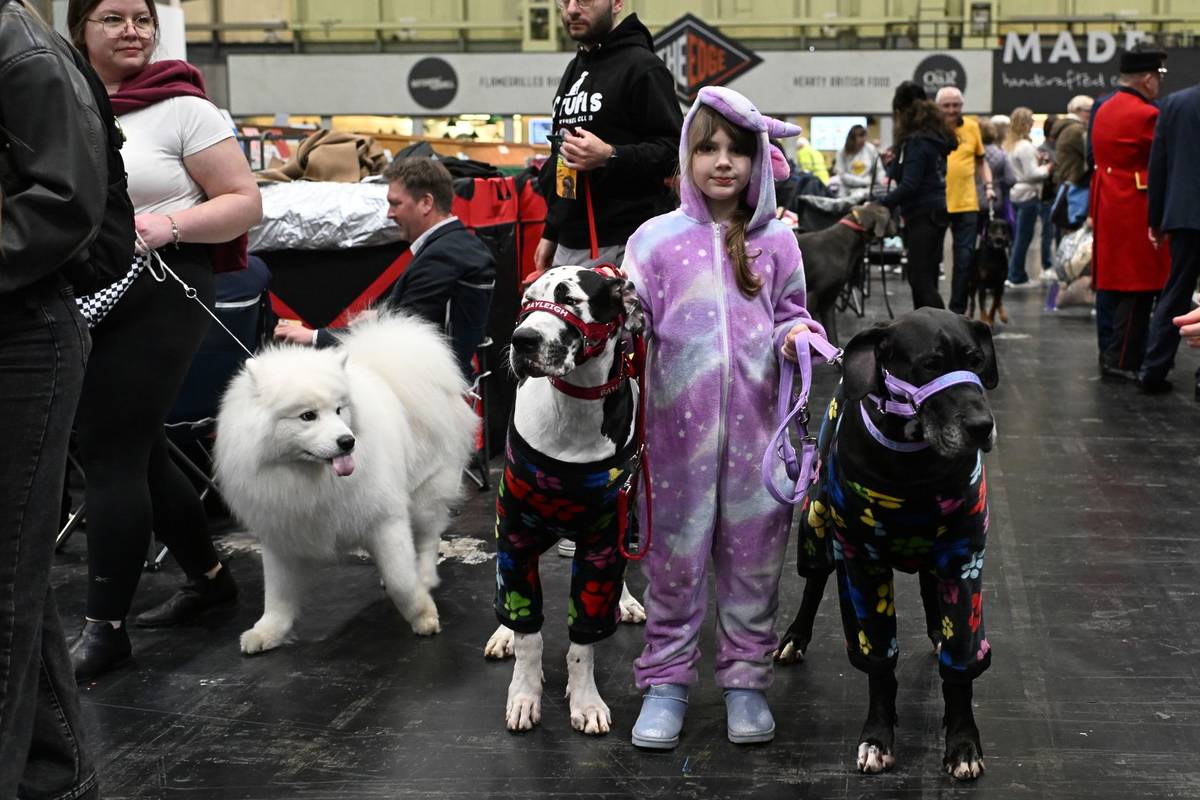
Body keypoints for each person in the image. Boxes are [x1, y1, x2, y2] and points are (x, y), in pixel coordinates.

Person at [66, 0, 262, 681]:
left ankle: (105, 629)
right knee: (140, 448)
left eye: (142, 19)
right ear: (79, 29)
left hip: (161, 285)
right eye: (112, 18)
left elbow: (244, 200)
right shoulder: (61, 100)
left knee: (110, 450)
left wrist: (168, 225)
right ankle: (210, 579)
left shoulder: (183, 107)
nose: (132, 30)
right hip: (80, 288)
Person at [622, 86, 821, 750]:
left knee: (755, 568)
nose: (724, 162)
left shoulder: (778, 242)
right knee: (671, 565)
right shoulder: (653, 241)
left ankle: (746, 683)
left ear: (759, 160)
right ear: (686, 155)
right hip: (671, 444)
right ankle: (665, 683)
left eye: (738, 149)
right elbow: (631, 322)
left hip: (758, 442)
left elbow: (791, 312)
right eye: (707, 148)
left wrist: (797, 337)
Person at [0, 0, 105, 794]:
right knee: (15, 581)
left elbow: (67, 200)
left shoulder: (19, 46)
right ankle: (54, 779)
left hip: (21, 331)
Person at [274, 158, 496, 378]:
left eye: (395, 203)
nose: (389, 214)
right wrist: (380, 315)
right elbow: (424, 314)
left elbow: (402, 333)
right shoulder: (457, 245)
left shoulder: (442, 256)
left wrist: (313, 337)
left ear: (426, 203)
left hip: (428, 383)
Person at [533, 0, 682, 274]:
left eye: (585, 0)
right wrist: (552, 230)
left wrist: (610, 155)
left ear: (617, 3)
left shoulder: (643, 67)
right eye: (564, 1)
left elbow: (674, 151)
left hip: (627, 242)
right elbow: (563, 155)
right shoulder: (575, 68)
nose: (572, 9)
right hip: (570, 242)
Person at [1089, 48, 1172, 382]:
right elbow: (1165, 157)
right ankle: (1124, 360)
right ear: (1148, 79)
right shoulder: (1147, 114)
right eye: (1159, 76)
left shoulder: (1103, 108)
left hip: (1108, 201)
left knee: (1112, 284)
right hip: (1135, 206)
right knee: (1140, 286)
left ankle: (1110, 354)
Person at [1138, 77, 1200, 394]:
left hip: (1184, 214)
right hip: (1184, 213)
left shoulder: (1175, 104)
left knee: (1175, 292)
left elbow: (1158, 165)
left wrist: (1156, 221)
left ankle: (1153, 369)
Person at [879, 92, 955, 310]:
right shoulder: (933, 141)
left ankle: (944, 325)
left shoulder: (916, 143)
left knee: (919, 278)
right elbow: (909, 175)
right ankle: (930, 326)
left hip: (922, 214)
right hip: (937, 211)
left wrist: (881, 203)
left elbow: (909, 185)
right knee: (928, 277)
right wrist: (893, 163)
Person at [937, 87, 995, 314]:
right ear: (938, 107)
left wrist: (988, 186)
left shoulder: (972, 127)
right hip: (938, 202)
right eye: (947, 105)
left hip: (967, 203)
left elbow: (981, 161)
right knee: (933, 261)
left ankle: (957, 312)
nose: (952, 110)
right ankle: (933, 312)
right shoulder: (931, 128)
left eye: (956, 105)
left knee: (964, 260)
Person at [1004, 107, 1053, 288]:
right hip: (1028, 195)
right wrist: (1047, 168)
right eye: (1031, 120)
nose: (1033, 123)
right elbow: (1031, 174)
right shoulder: (1025, 146)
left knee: (1018, 237)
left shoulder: (1011, 145)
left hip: (1016, 194)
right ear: (1026, 124)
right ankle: (1016, 275)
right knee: (1023, 238)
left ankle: (1015, 273)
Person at [1050, 95, 1093, 231]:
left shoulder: (1065, 128)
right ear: (1077, 110)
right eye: (1089, 110)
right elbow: (1091, 155)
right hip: (1078, 187)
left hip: (1067, 185)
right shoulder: (1077, 130)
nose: (1092, 114)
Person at [1037, 114, 1061, 277]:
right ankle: (1046, 265)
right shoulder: (1042, 149)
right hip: (1047, 196)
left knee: (1059, 231)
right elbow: (1044, 172)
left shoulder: (1059, 147)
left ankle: (1059, 264)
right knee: (1047, 231)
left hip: (1059, 194)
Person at [978, 118, 1014, 224]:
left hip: (972, 200)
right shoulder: (1001, 154)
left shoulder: (970, 154)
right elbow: (1010, 179)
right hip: (994, 200)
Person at [834, 124, 885, 198]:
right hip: (847, 189)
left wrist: (882, 182)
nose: (863, 140)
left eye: (864, 137)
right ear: (852, 139)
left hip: (866, 189)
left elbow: (879, 169)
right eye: (860, 137)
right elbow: (842, 175)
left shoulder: (870, 149)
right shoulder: (842, 153)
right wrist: (866, 181)